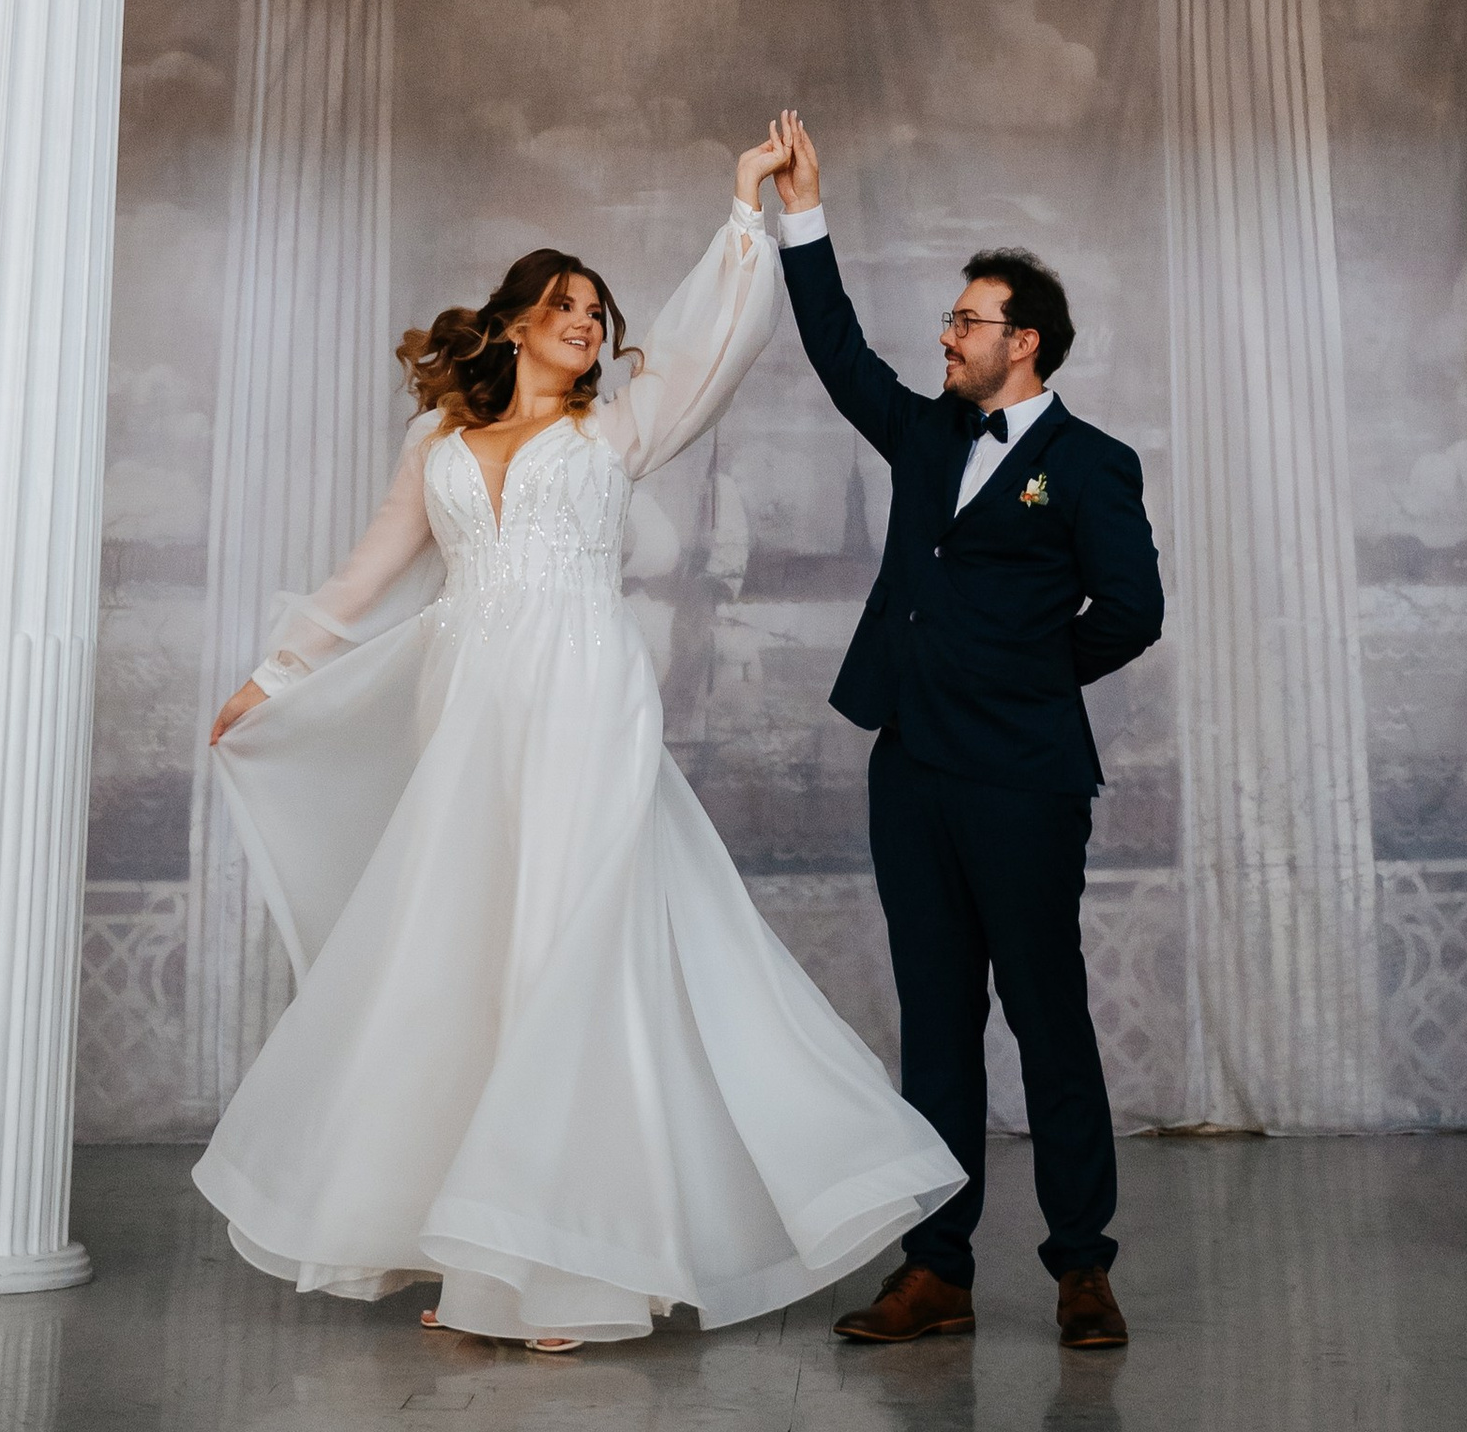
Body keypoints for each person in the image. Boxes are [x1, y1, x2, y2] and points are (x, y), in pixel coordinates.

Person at [197, 132, 960, 1351]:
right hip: (468, 715)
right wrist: (274, 675)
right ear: (510, 324)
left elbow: (712, 336)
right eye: (564, 306)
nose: (588, 324)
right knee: (475, 955)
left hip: (586, 703)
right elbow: (368, 571)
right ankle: (484, 1242)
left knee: (568, 950)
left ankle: (573, 1268)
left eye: (598, 312)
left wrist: (744, 208)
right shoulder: (437, 445)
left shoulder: (619, 431)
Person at [770, 109, 1164, 1351]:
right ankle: (935, 1270)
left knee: (1047, 1017)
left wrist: (1023, 680)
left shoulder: (1093, 463)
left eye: (966, 320)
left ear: (1024, 341)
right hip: (913, 769)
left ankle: (1081, 1267)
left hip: (1026, 778)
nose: (946, 334)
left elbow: (1134, 611)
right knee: (935, 1025)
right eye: (948, 319)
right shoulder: (931, 431)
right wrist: (805, 216)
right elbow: (839, 358)